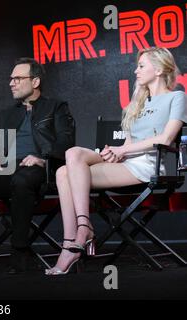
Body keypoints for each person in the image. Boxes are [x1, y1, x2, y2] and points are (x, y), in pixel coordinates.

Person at [46, 47, 187, 275]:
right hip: (127, 163)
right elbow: (127, 147)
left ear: (159, 69)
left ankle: (74, 241)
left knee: (65, 173)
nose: (135, 70)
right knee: (70, 158)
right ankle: (79, 231)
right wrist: (115, 153)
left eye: (141, 66)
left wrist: (124, 150)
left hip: (150, 167)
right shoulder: (136, 104)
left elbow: (166, 138)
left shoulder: (177, 97)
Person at [0, 57, 75, 275]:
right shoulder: (8, 113)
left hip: (40, 168)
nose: (11, 83)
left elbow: (66, 143)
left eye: (18, 78)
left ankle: (20, 251)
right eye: (11, 79)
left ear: (35, 82)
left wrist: (43, 159)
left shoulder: (56, 107)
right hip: (9, 168)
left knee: (22, 180)